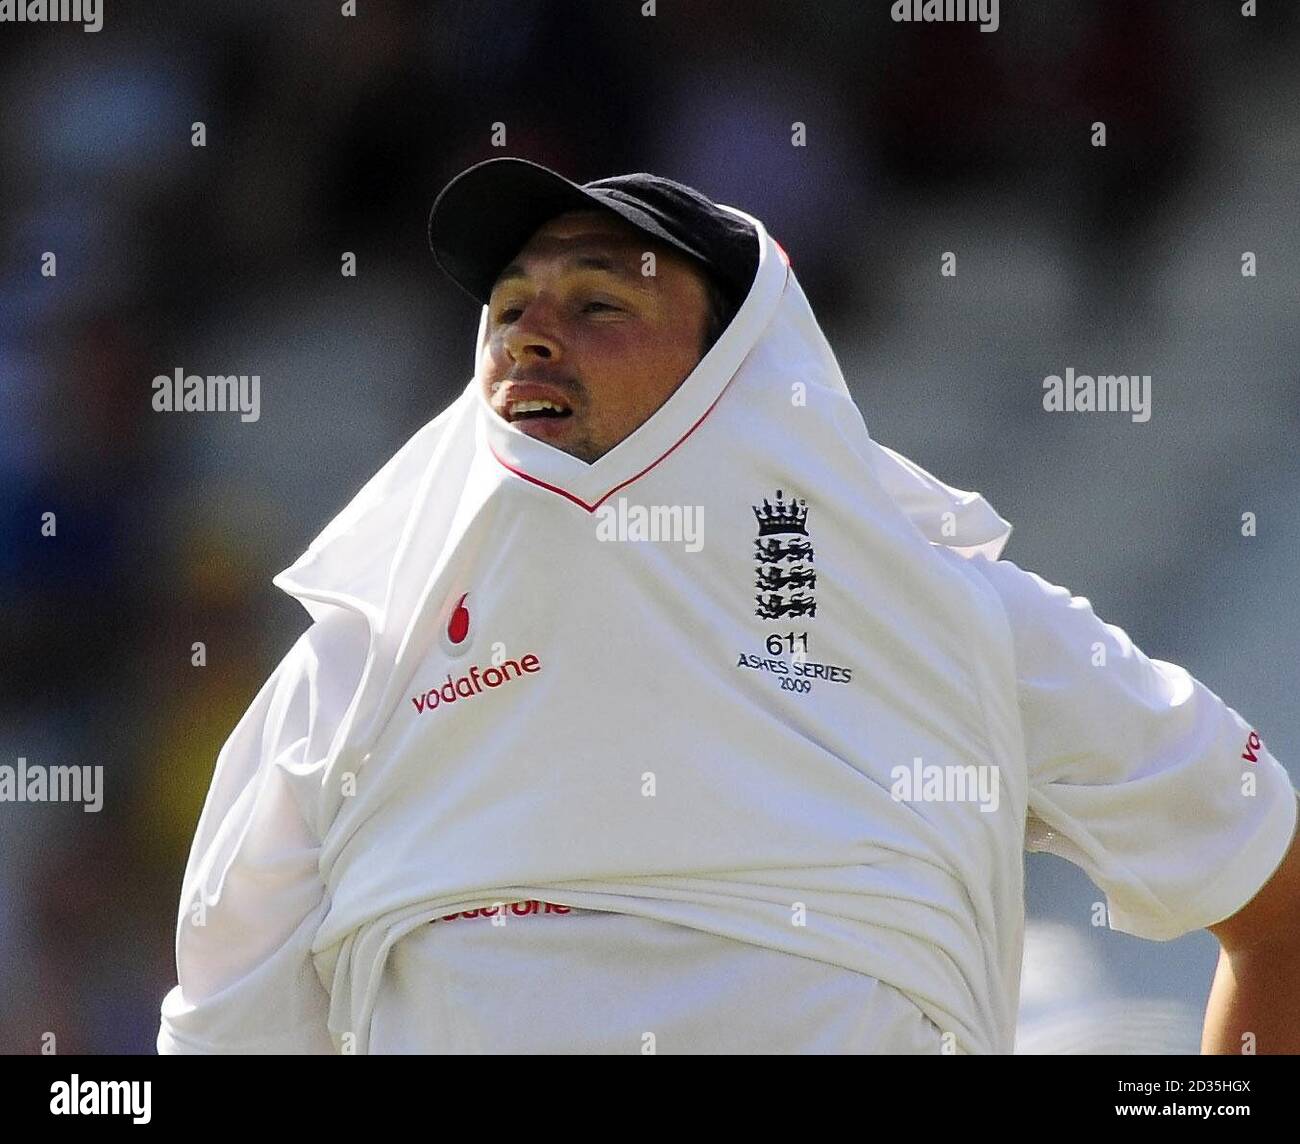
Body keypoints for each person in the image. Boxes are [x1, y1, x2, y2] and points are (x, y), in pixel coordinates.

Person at [157, 157, 1299, 1055]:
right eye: (507, 308)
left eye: (599, 300)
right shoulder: (350, 669)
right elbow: (225, 1035)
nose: (531, 335)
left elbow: (1272, 902)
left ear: (735, 366)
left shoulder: (957, 621)